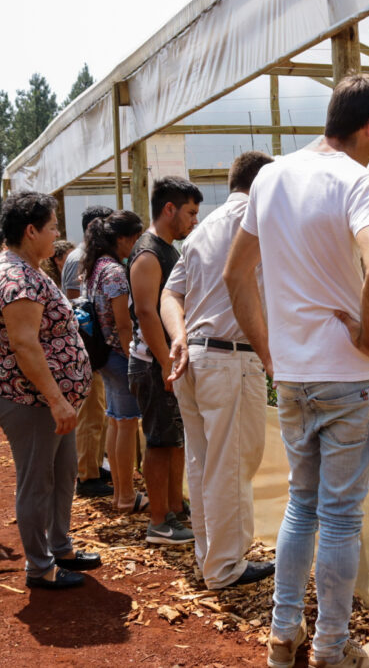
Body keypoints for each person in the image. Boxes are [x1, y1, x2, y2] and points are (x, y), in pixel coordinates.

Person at [226, 74, 369, 668]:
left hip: (295, 377)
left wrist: (272, 353)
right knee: (342, 518)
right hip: (348, 379)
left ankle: (282, 637)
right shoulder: (359, 182)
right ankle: (330, 649)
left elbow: (235, 275)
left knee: (301, 505)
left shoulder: (270, 175)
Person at [162, 151, 276, 590]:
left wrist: (178, 338)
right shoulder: (258, 216)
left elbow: (171, 297)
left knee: (204, 462)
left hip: (195, 357)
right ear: (263, 182)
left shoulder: (201, 229)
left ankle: (211, 559)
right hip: (231, 358)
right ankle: (227, 566)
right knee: (230, 466)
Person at [0, 191, 100, 590]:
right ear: (31, 231)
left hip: (46, 400)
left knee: (62, 472)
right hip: (30, 401)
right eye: (52, 227)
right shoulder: (17, 277)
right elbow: (25, 344)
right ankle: (39, 566)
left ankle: (60, 546)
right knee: (37, 482)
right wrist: (55, 399)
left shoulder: (26, 270)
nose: (57, 234)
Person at [128, 176, 200, 545]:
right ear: (168, 209)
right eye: (189, 212)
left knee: (173, 439)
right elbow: (145, 312)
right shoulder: (148, 253)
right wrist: (163, 361)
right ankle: (159, 521)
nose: (195, 220)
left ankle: (174, 509)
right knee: (159, 440)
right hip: (153, 362)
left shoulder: (169, 249)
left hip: (167, 362)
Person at [81, 211, 147, 513]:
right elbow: (123, 324)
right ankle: (125, 495)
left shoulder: (96, 267)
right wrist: (132, 358)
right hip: (119, 356)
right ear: (122, 238)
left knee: (116, 422)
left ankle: (120, 492)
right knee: (127, 425)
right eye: (135, 239)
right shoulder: (115, 272)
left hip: (103, 357)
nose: (135, 246)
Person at [67, 206, 116, 498]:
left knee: (97, 412)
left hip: (92, 348)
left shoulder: (89, 258)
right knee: (91, 414)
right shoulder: (79, 258)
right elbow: (76, 304)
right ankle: (87, 476)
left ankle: (94, 466)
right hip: (87, 347)